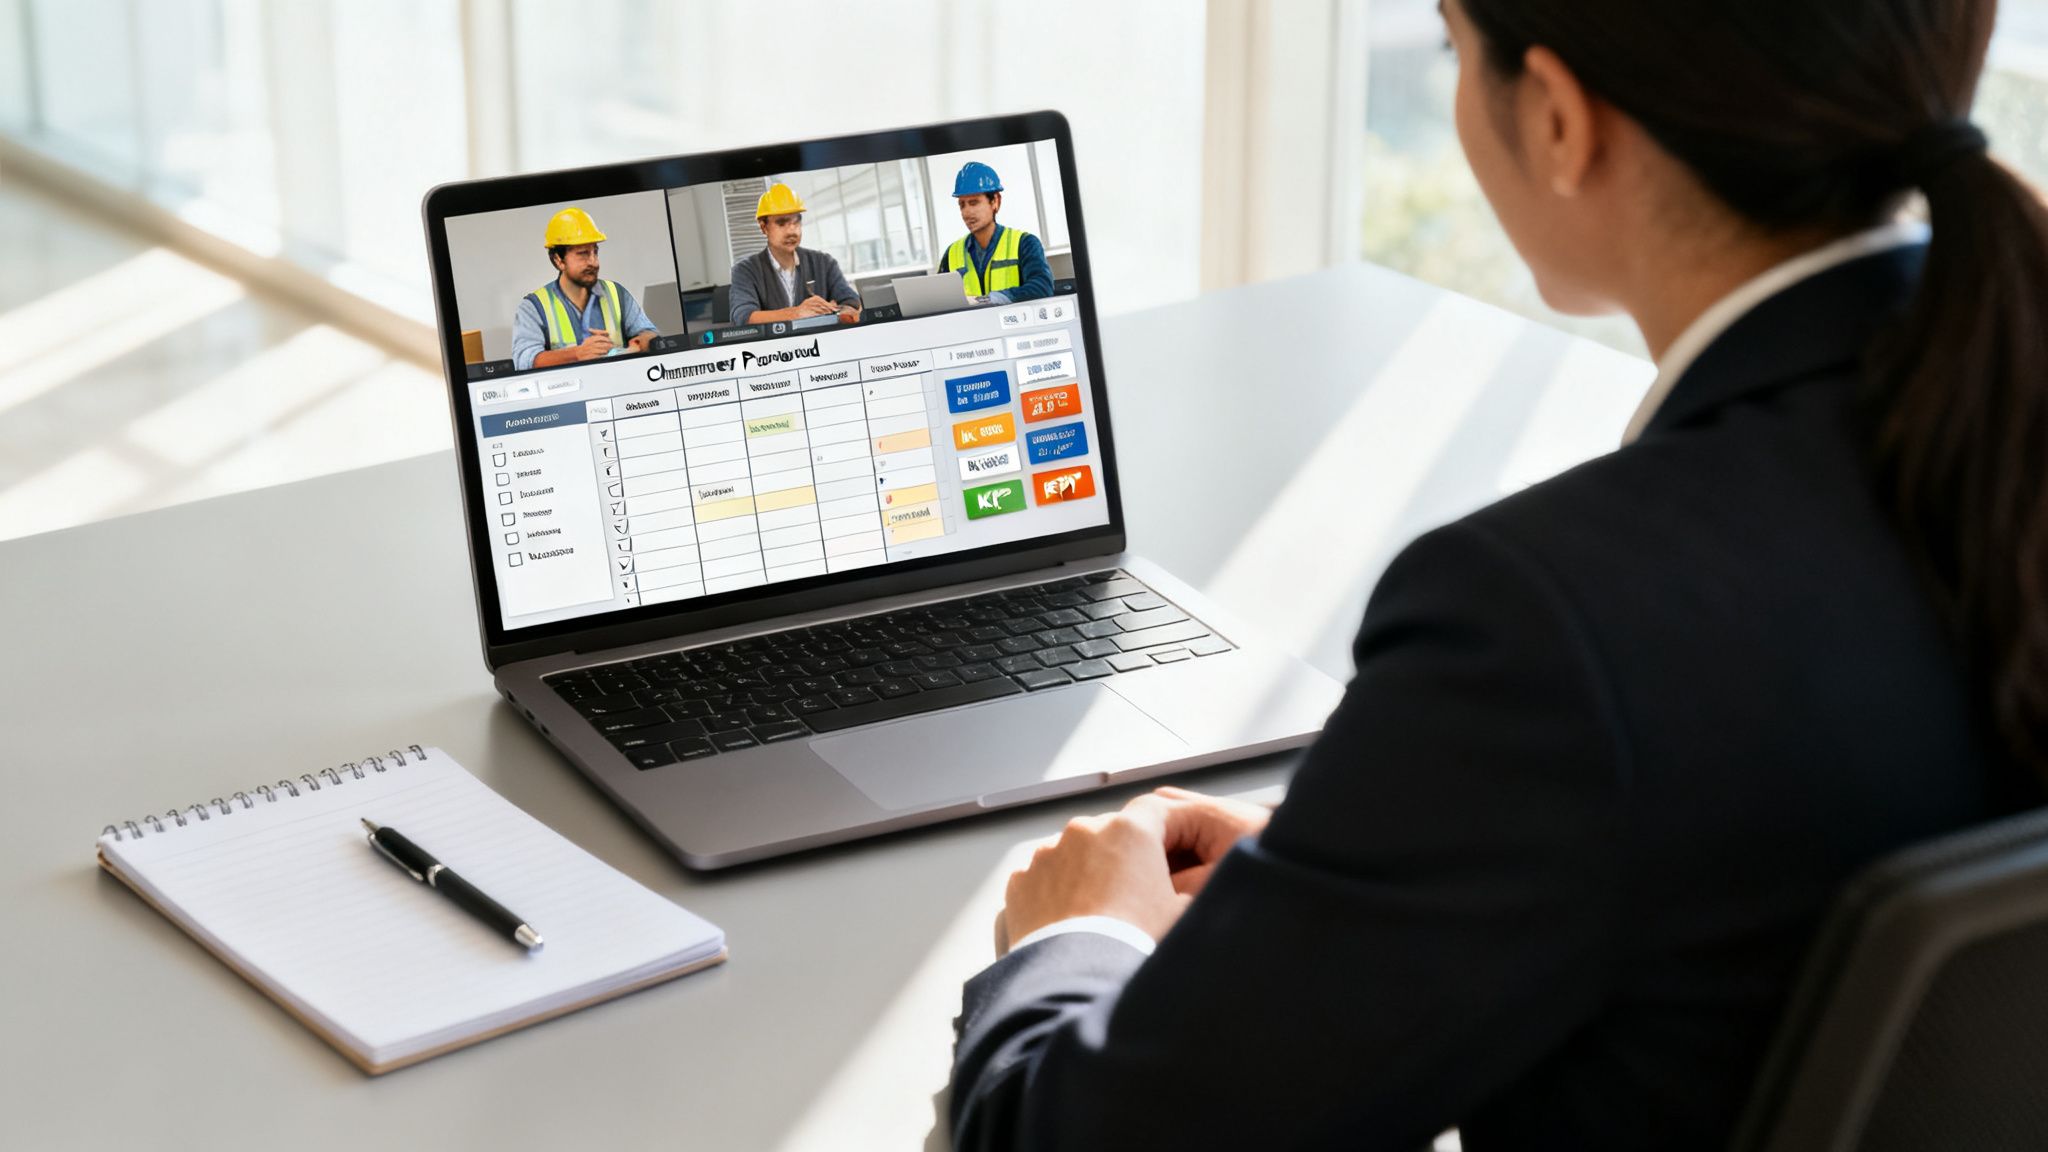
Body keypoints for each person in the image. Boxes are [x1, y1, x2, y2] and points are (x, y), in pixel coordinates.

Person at [948, 0, 2048, 1148]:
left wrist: (1073, 941)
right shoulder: (1975, 431)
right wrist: (1371, 849)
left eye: (1451, 51)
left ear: (1563, 123)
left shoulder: (1544, 621)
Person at [510, 207, 659, 371]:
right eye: (583, 254)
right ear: (558, 260)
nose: (594, 262)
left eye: (595, 252)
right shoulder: (534, 307)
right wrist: (577, 354)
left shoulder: (616, 293)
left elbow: (650, 334)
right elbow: (524, 362)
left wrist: (642, 343)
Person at [728, 183, 862, 327]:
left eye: (796, 222)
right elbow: (743, 317)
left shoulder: (824, 262)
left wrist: (834, 311)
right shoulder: (745, 270)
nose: (792, 231)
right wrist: (798, 313)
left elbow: (852, 302)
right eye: (782, 223)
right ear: (764, 227)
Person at [938, 162, 1052, 304]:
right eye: (962, 204)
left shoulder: (1025, 244)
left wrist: (987, 300)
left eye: (974, 203)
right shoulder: (952, 253)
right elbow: (940, 300)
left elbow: (1042, 288)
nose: (966, 212)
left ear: (995, 201)